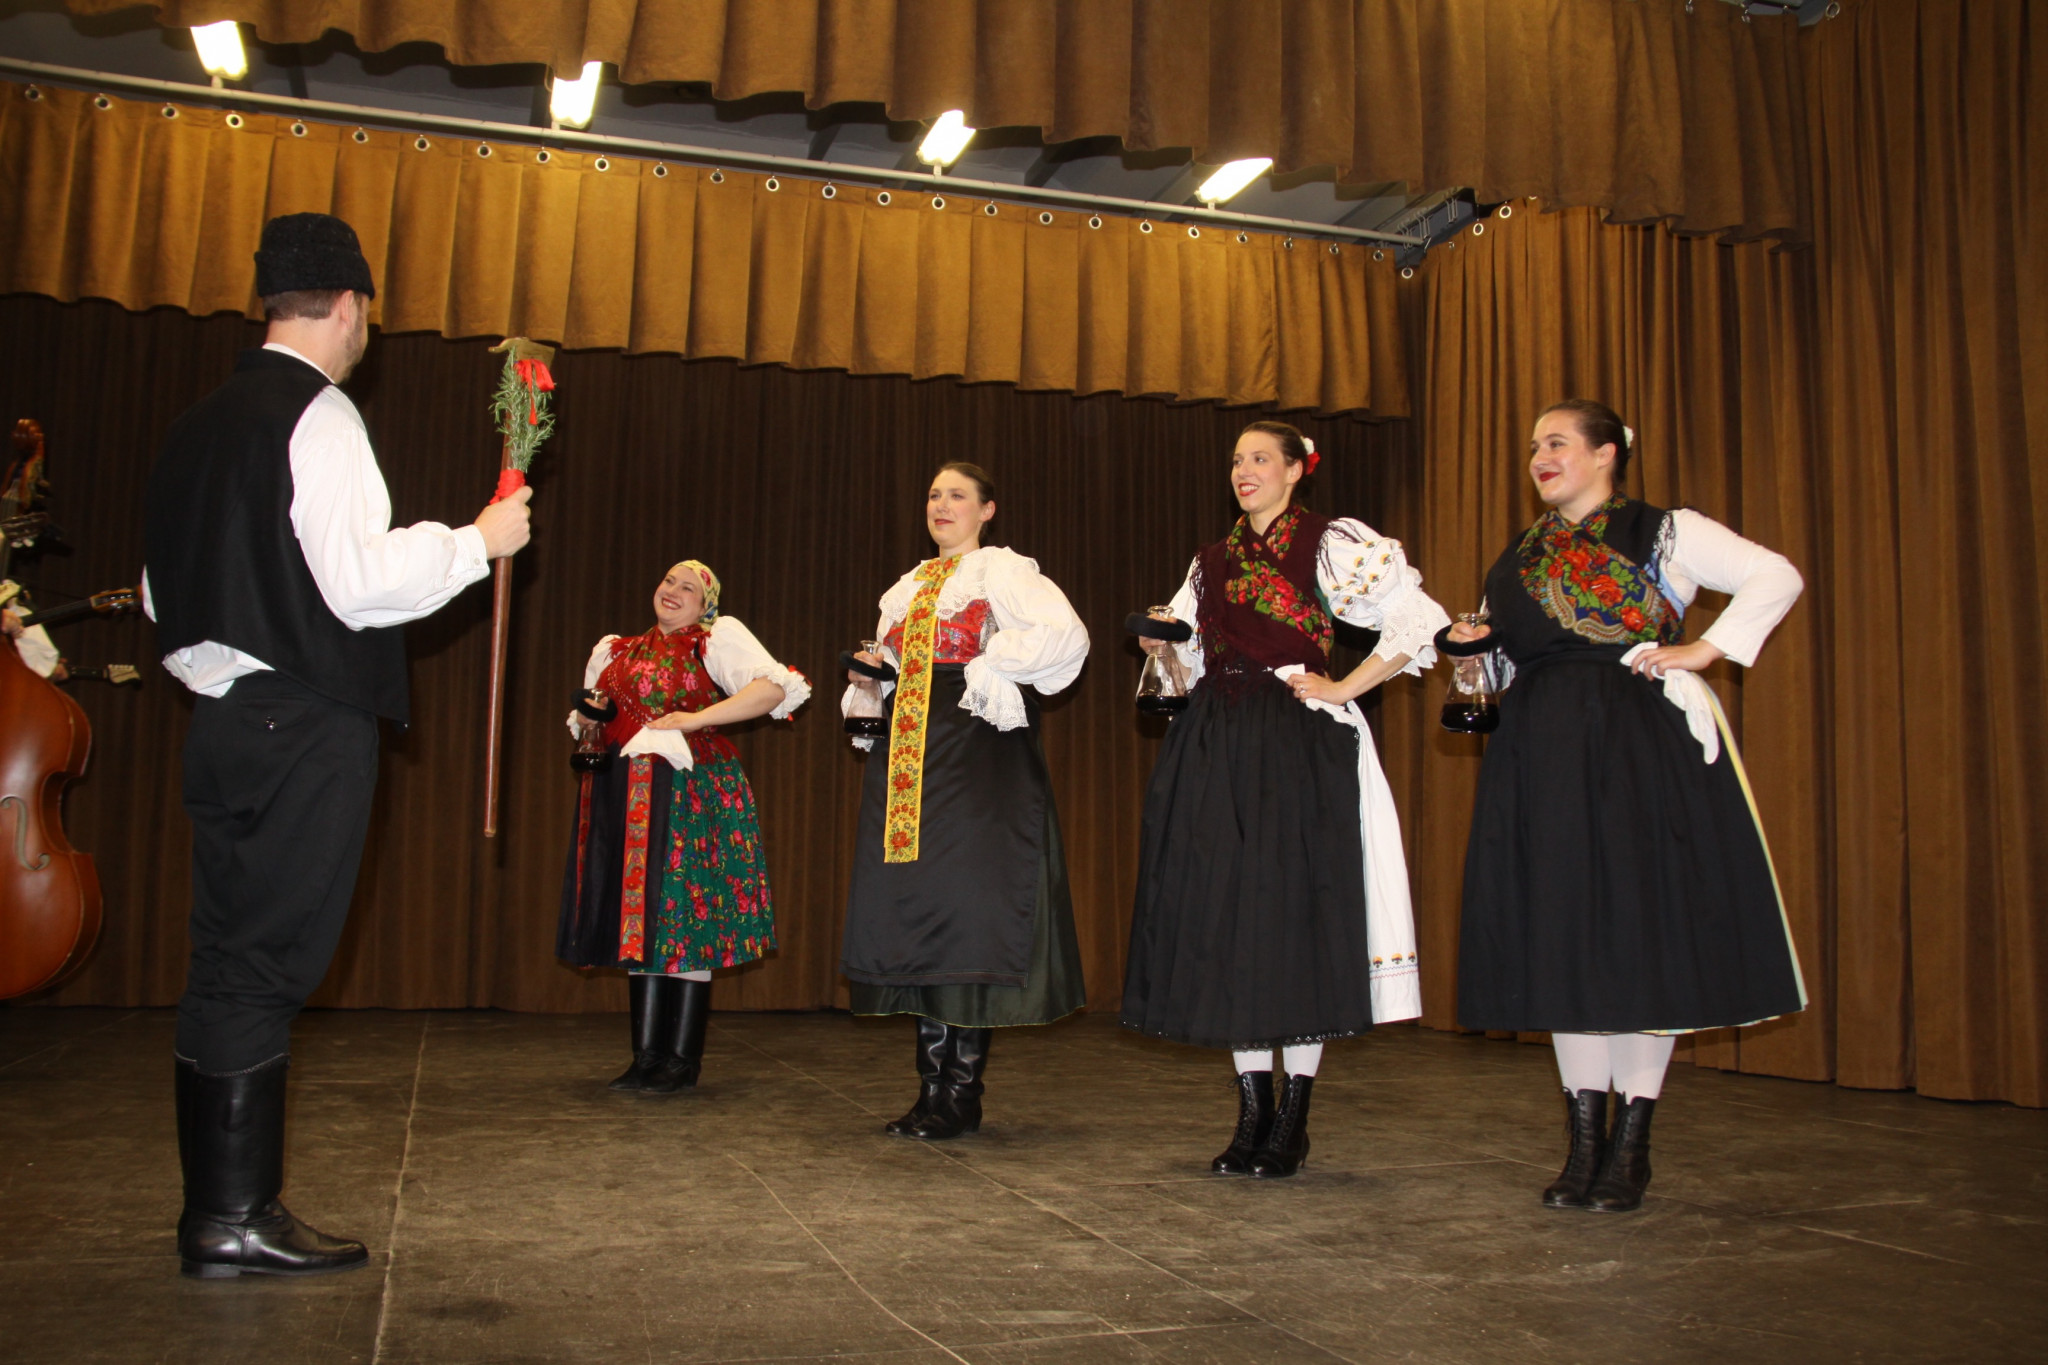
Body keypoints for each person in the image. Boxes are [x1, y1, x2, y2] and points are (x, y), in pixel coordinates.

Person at [141, 213, 533, 1279]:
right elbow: (357, 582)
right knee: (264, 965)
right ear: (353, 307)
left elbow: (159, 594)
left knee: (226, 958)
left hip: (222, 719)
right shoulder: (318, 413)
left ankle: (218, 1211)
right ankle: (233, 1215)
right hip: (301, 722)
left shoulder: (196, 425)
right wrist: (478, 540)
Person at [1441, 398, 1806, 1214]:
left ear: (1607, 453)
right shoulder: (1518, 556)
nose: (1540, 456)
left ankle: (1631, 1146)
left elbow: (1776, 575)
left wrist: (1705, 648)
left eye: (1557, 442)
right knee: (1563, 937)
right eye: (1533, 445)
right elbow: (1509, 666)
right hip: (1541, 753)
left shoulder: (1664, 530)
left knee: (1639, 936)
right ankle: (1583, 1145)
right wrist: (1473, 658)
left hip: (1635, 747)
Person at [1122, 421, 1450, 1178]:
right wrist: (1163, 643)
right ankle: (1252, 1114)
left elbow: (1417, 618)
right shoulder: (1210, 561)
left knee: (1295, 920)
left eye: (1261, 458)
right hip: (1220, 742)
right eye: (1237, 459)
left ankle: (1292, 1118)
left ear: (1298, 470)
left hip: (1298, 743)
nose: (1244, 470)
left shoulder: (1330, 542)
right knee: (1233, 921)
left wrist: (1344, 686)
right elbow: (1190, 651)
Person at [840, 462, 1090, 1141]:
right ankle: (931, 1088)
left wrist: (988, 659)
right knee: (921, 908)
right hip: (908, 757)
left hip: (977, 749)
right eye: (933, 495)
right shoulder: (907, 587)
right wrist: (873, 679)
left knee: (968, 910)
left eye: (957, 495)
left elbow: (1066, 637)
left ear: (987, 510)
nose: (941, 505)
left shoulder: (1000, 571)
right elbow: (891, 669)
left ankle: (961, 1091)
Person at [557, 560, 808, 1093]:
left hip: (690, 791)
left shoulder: (713, 640)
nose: (673, 591)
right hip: (626, 793)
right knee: (640, 918)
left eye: (688, 587)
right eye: (669, 580)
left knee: (685, 916)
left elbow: (773, 690)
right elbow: (587, 721)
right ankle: (646, 1056)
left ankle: (681, 1060)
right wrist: (591, 717)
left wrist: (696, 719)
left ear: (705, 603)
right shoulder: (615, 650)